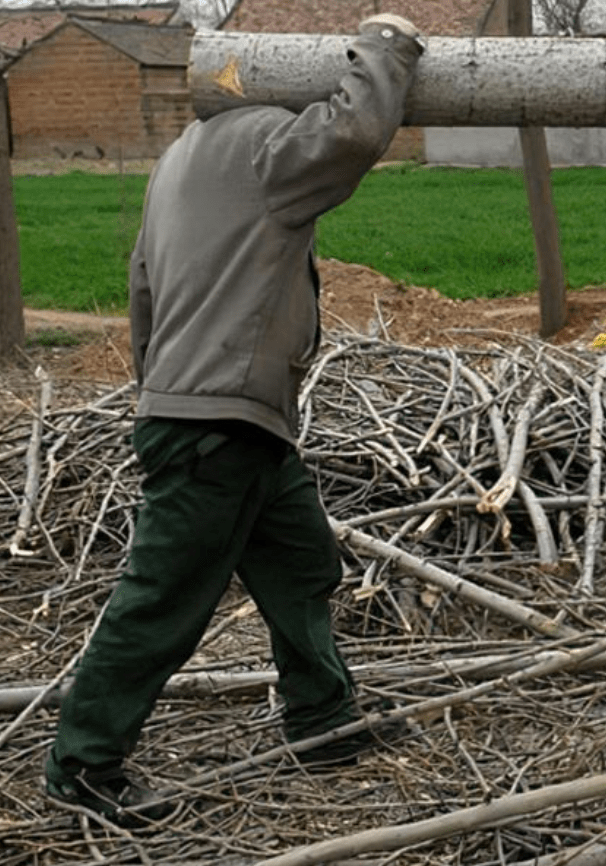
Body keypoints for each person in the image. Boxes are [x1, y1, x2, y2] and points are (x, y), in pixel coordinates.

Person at [44, 14, 424, 826]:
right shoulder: (262, 144)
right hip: (219, 420)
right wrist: (387, 46)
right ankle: (83, 765)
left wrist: (165, 398)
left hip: (215, 414)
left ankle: (322, 719)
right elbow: (354, 133)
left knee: (299, 563)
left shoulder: (178, 160)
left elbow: (141, 289)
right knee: (163, 598)